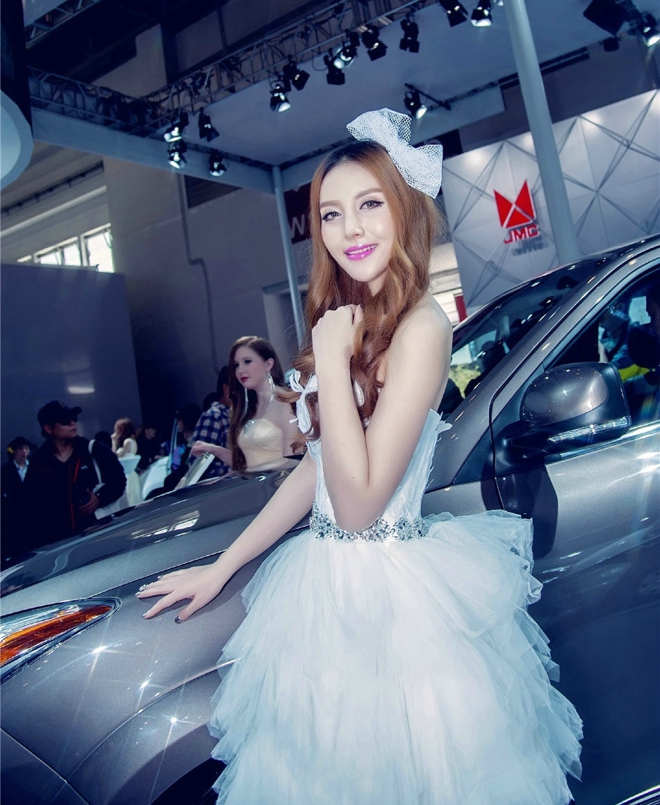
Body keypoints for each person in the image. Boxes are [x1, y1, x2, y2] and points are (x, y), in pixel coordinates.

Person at [138, 109, 582, 804]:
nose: (351, 230)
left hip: (394, 604)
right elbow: (319, 470)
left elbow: (358, 506)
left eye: (370, 204)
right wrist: (221, 567)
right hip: (322, 592)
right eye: (331, 214)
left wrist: (333, 357)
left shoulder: (422, 327)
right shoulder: (353, 321)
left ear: (404, 210)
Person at [26, 400, 126, 549]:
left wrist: (99, 498)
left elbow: (119, 480)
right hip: (58, 544)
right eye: (65, 420)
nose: (73, 423)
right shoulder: (39, 464)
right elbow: (30, 507)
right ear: (48, 428)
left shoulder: (93, 449)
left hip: (98, 535)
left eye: (74, 418)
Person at [192, 338, 299, 473]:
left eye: (247, 361)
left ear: (268, 364)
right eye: (236, 365)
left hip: (282, 483)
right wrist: (214, 450)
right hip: (255, 483)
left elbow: (295, 463)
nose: (240, 370)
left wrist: (256, 472)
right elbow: (246, 464)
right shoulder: (248, 408)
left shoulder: (285, 403)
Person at [189, 367, 232, 480]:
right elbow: (199, 467)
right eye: (241, 388)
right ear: (226, 389)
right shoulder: (213, 417)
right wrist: (239, 468)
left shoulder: (240, 416)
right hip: (226, 487)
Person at [1, 436, 35, 566]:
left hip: (33, 513)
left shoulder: (35, 467)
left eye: (26, 448)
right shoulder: (6, 470)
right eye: (21, 449)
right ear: (14, 451)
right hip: (14, 516)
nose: (24, 452)